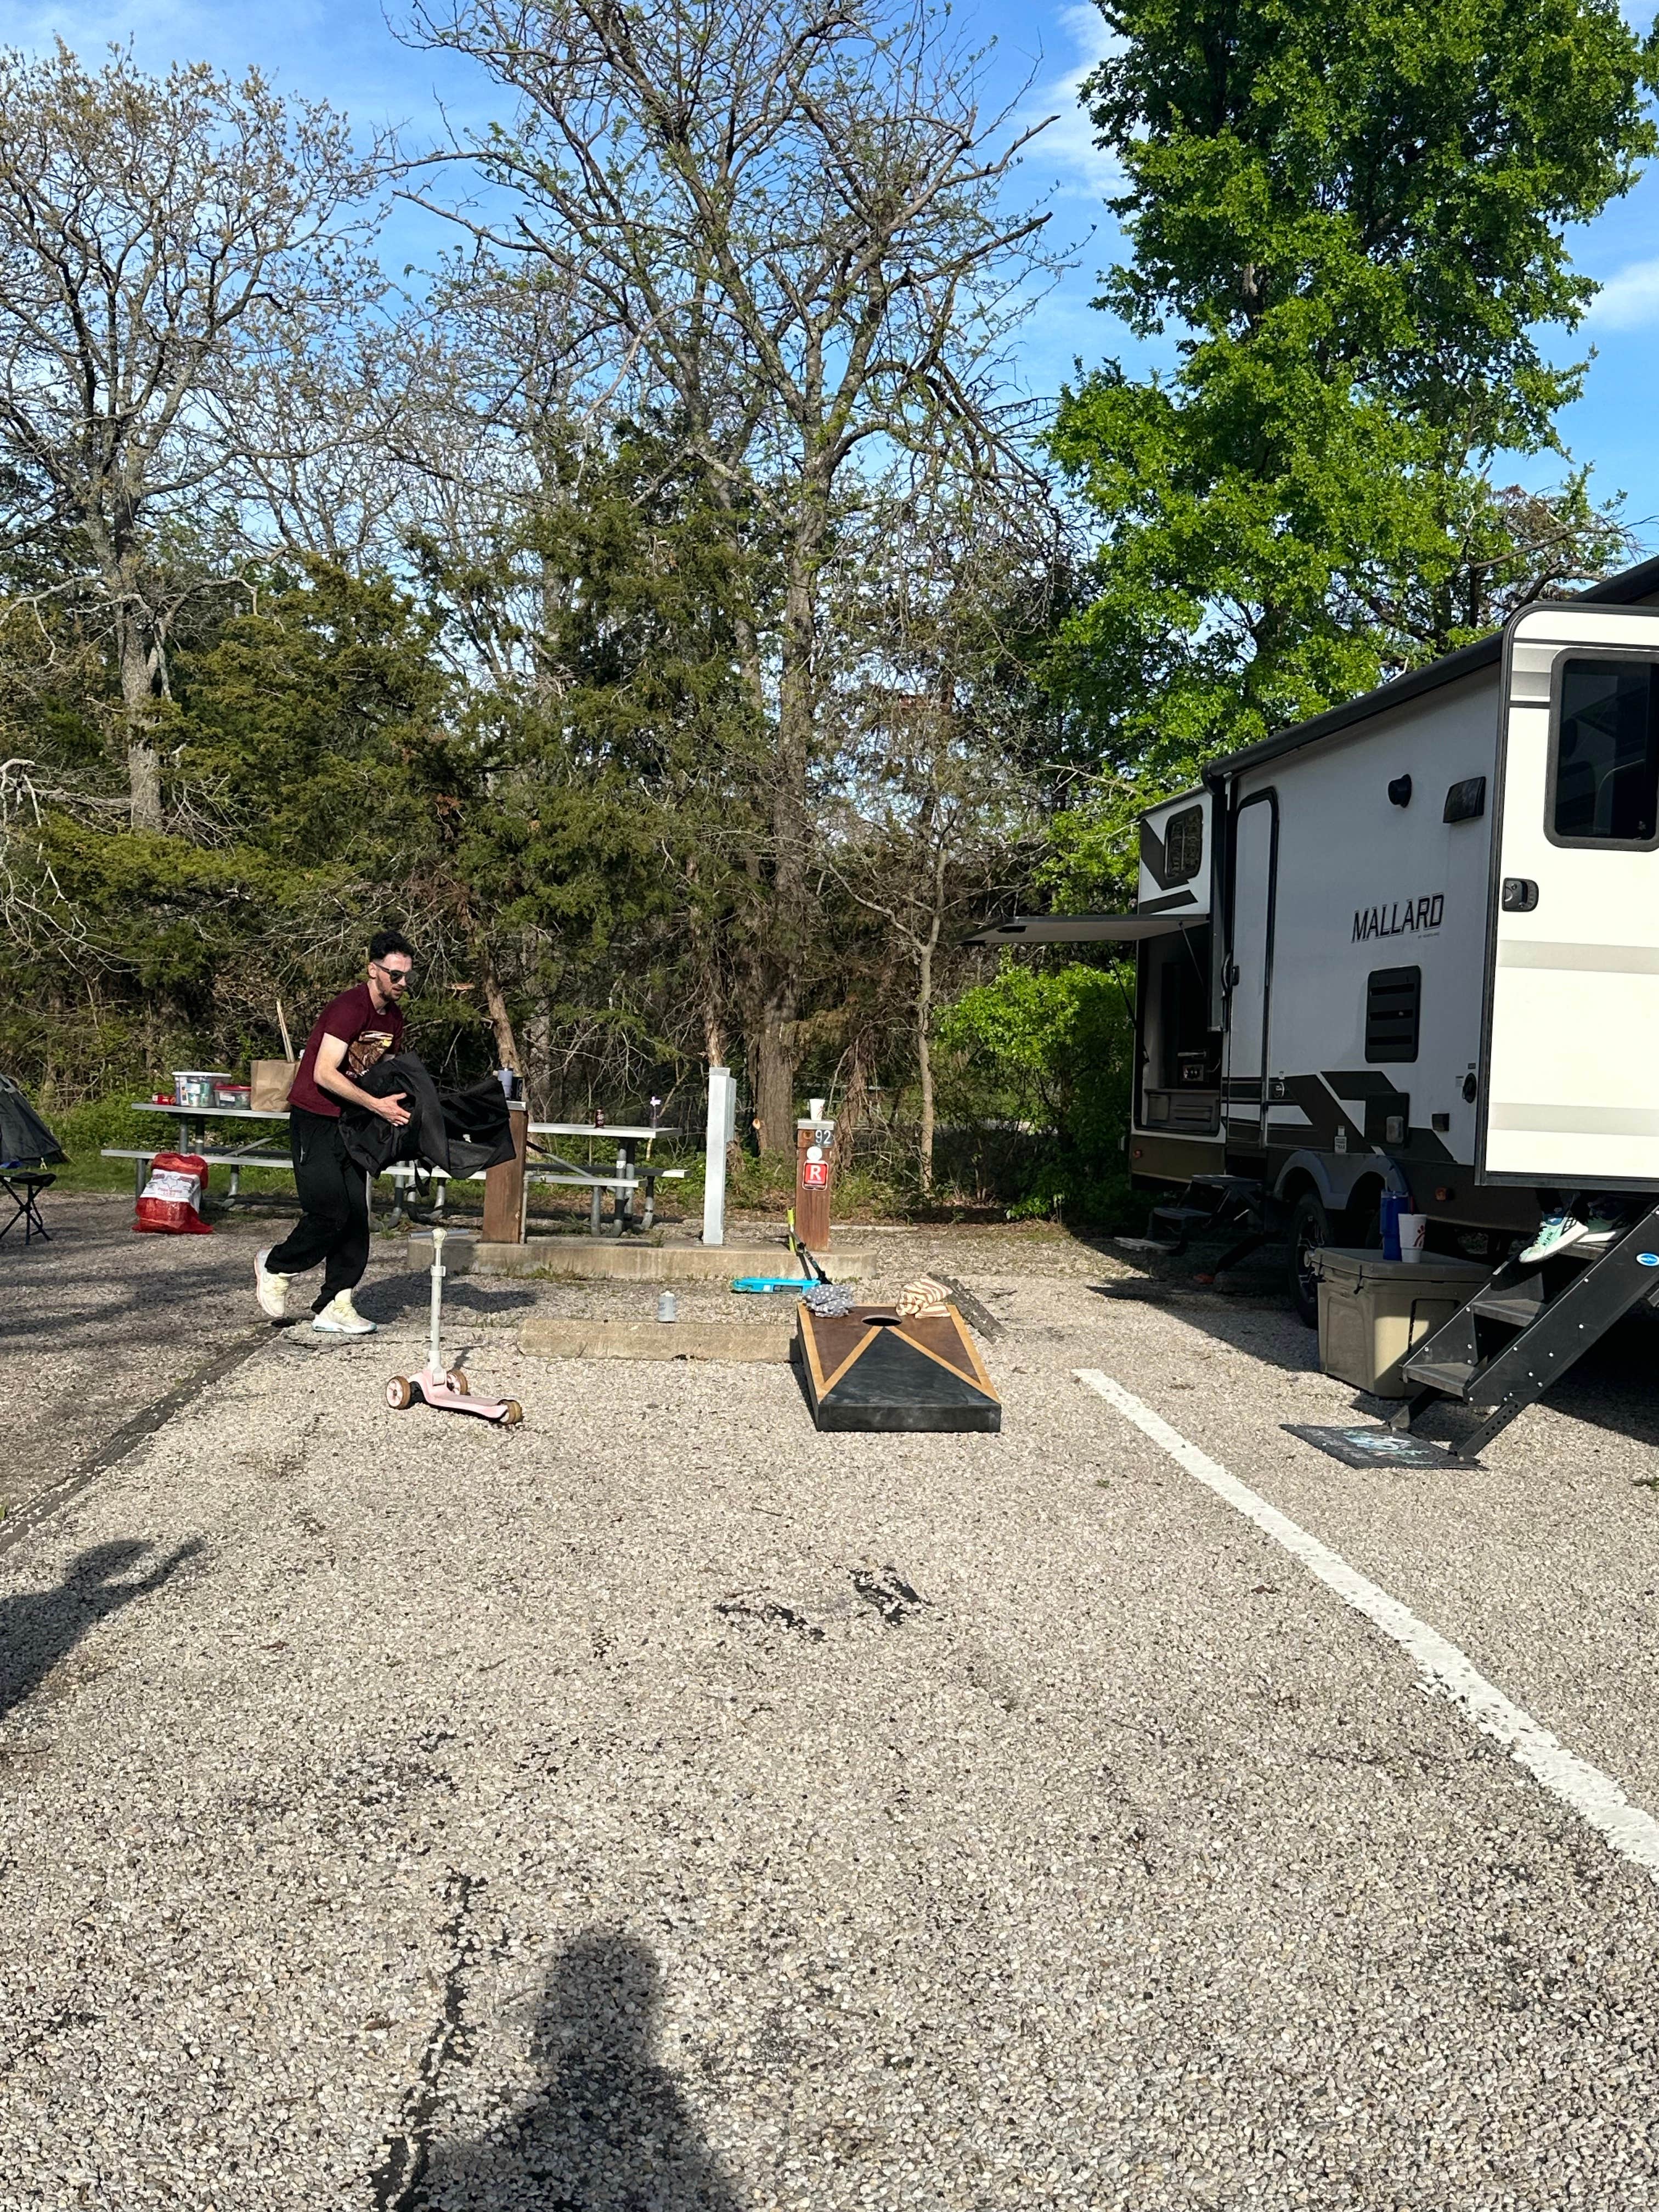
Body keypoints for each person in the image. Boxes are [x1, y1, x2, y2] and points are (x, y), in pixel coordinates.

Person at [254, 932, 415, 1333]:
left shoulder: (393, 1018)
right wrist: (375, 1104)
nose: (402, 983)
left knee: (357, 1219)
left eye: (408, 976)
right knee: (329, 1212)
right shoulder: (349, 1008)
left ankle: (335, 1303)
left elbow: (385, 1072)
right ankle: (275, 1265)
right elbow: (325, 1073)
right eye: (395, 975)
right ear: (372, 970)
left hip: (353, 1122)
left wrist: (403, 1105)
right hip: (317, 1117)